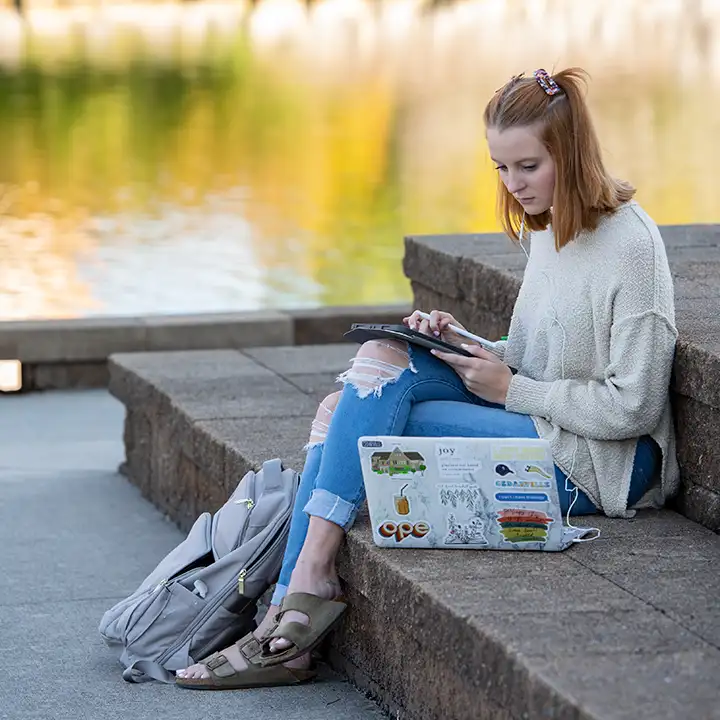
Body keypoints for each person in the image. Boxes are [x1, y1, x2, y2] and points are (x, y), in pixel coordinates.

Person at [175, 67, 679, 689]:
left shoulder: (632, 246)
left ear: (571, 154)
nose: (513, 184)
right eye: (500, 167)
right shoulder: (552, 230)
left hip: (599, 463)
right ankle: (300, 593)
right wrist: (459, 341)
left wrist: (510, 390)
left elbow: (633, 406)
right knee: (385, 358)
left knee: (352, 418)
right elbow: (528, 354)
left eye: (528, 166)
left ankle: (293, 603)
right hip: (547, 420)